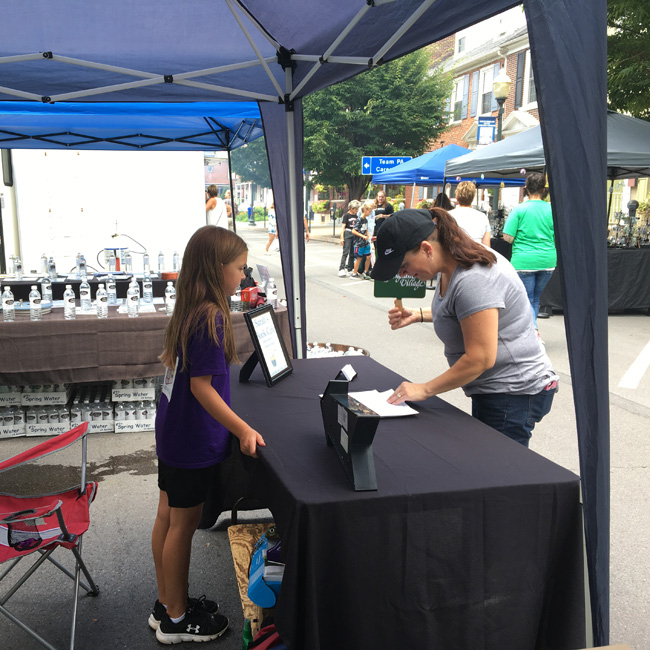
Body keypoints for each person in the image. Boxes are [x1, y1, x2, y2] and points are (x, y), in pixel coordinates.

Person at [151, 225, 266, 643]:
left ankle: (167, 603)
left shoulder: (192, 306)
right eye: (240, 268)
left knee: (167, 514)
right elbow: (202, 386)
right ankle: (177, 621)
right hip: (191, 438)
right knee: (182, 523)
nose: (244, 275)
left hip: (174, 430)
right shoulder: (211, 316)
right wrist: (242, 428)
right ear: (218, 270)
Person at [371, 208, 558, 447]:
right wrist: (418, 315)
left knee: (500, 474)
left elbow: (480, 358)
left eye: (404, 264)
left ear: (427, 249)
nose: (402, 273)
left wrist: (425, 389)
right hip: (498, 389)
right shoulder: (449, 262)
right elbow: (470, 313)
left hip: (513, 392)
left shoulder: (473, 278)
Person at [502, 173, 556, 332]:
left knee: (526, 299)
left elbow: (507, 237)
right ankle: (531, 331)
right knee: (534, 298)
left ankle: (533, 332)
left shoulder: (519, 209)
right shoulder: (552, 209)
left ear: (526, 189)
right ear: (544, 189)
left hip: (524, 261)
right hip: (547, 260)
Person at [449, 181, 491, 246]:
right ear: (473, 198)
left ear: (456, 197)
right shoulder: (483, 217)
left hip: (453, 254)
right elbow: (486, 246)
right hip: (476, 254)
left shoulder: (447, 216)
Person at [350, 201, 373, 279]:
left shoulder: (365, 220)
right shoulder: (359, 220)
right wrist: (362, 236)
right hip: (359, 243)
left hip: (365, 242)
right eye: (369, 211)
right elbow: (353, 231)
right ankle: (354, 273)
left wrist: (368, 235)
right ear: (365, 210)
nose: (370, 213)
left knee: (368, 256)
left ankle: (365, 272)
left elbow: (365, 228)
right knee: (359, 258)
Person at [339, 200, 361, 276]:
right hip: (348, 233)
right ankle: (341, 268)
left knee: (352, 252)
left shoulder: (356, 216)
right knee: (346, 251)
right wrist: (342, 237)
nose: (357, 210)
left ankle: (350, 268)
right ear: (352, 208)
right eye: (356, 209)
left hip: (354, 234)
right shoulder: (346, 216)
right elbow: (343, 227)